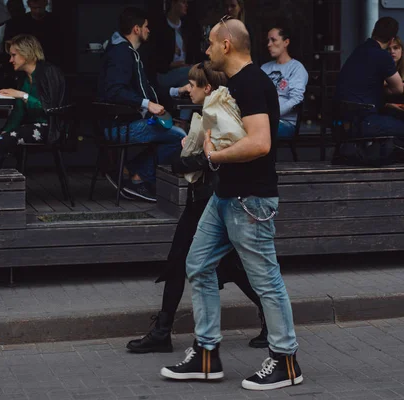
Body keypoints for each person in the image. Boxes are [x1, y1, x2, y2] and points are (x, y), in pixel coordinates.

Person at [160, 18, 303, 391]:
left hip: (250, 199)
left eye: (209, 44)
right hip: (227, 196)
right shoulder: (238, 84)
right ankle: (207, 355)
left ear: (226, 45)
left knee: (265, 279)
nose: (205, 51)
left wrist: (212, 155)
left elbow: (260, 143)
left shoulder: (254, 84)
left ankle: (286, 361)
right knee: (199, 264)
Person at [126, 62, 268, 354]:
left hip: (213, 200)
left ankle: (166, 332)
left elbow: (213, 159)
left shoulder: (221, 119)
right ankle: (163, 331)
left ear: (208, 89)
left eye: (193, 84)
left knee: (211, 263)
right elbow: (187, 161)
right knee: (189, 261)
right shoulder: (201, 116)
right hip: (200, 199)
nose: (187, 88)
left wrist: (192, 160)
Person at [97, 7, 186, 202]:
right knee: (180, 137)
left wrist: (177, 91)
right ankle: (138, 180)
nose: (149, 30)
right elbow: (114, 91)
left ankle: (128, 170)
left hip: (126, 123)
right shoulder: (120, 54)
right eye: (146, 26)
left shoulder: (129, 52)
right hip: (118, 126)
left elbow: (148, 89)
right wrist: (147, 104)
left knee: (173, 131)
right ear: (136, 29)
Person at [0, 34, 65, 169]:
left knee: (3, 140)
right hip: (29, 126)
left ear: (26, 54)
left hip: (49, 127)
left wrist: (22, 95)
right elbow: (18, 112)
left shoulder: (49, 72)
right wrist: (6, 130)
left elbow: (50, 108)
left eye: (13, 55)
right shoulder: (24, 79)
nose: (10, 60)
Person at [335, 17, 404, 138]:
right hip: (364, 121)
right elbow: (399, 89)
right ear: (392, 39)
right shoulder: (382, 56)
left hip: (344, 119)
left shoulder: (359, 50)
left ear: (373, 32)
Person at [147, 0, 202, 125]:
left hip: (184, 73)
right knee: (194, 72)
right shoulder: (160, 28)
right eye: (183, 2)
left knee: (191, 82)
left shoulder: (187, 27)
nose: (186, 5)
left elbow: (195, 52)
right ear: (173, 3)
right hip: (165, 74)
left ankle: (182, 122)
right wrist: (175, 65)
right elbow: (154, 62)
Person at [261, 25, 308, 138]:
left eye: (273, 40)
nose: (269, 44)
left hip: (285, 123)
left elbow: (296, 99)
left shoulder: (296, 68)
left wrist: (272, 114)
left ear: (286, 42)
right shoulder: (265, 68)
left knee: (257, 132)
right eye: (268, 41)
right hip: (261, 119)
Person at [3, 0, 61, 67]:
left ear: (46, 3)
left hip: (49, 64)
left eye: (40, 7)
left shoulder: (56, 22)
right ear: (28, 4)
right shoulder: (17, 23)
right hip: (24, 64)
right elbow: (9, 45)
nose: (37, 10)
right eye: (34, 7)